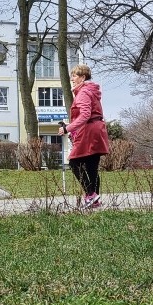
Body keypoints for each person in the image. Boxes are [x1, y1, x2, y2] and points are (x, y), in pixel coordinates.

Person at [59, 63, 110, 209]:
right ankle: (94, 201)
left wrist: (67, 128)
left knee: (74, 163)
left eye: (74, 76)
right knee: (92, 166)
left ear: (82, 77)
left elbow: (85, 115)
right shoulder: (91, 91)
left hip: (89, 131)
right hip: (98, 129)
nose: (72, 79)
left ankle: (90, 194)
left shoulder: (83, 93)